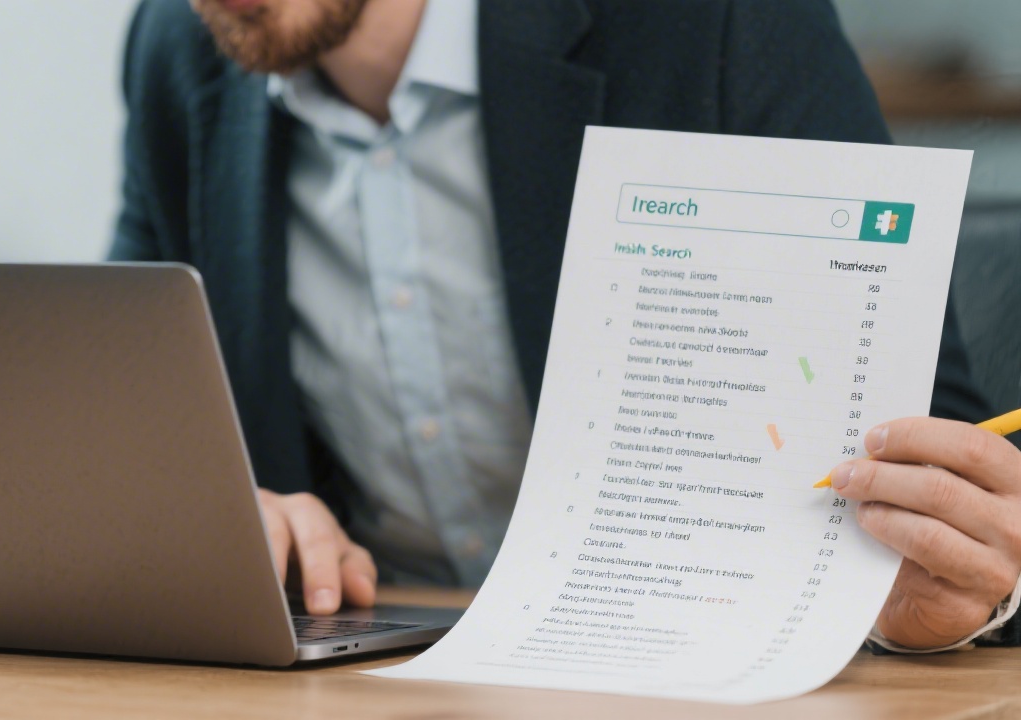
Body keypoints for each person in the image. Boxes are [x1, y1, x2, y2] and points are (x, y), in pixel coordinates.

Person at [109, 0, 1021, 651]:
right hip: (375, 668)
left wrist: (954, 600)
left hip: (680, 663)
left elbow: (942, 457)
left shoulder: (719, 24)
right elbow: (127, 419)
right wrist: (208, 513)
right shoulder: (175, 53)